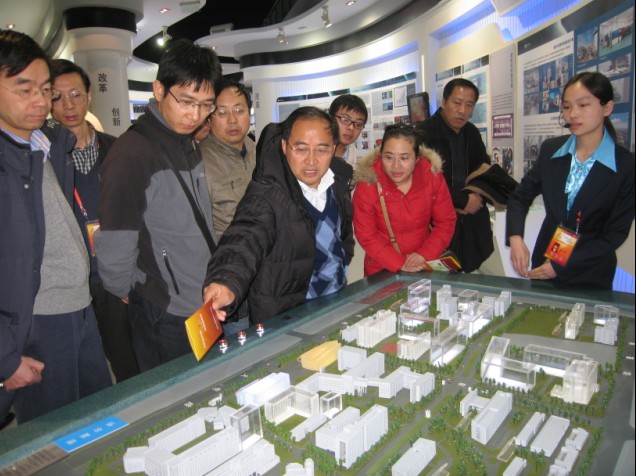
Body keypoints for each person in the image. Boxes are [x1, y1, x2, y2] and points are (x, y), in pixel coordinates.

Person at [0, 30, 111, 424]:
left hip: (79, 306)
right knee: (55, 436)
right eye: (24, 88)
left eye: (45, 89)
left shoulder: (45, 147)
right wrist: (5, 358)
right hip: (38, 320)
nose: (41, 101)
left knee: (100, 419)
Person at [94, 39, 223, 371]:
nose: (195, 115)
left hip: (198, 300)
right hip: (164, 308)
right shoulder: (132, 154)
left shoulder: (186, 143)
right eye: (186, 101)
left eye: (206, 105)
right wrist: (129, 288)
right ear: (159, 90)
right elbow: (116, 236)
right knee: (173, 395)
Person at [203, 106, 354, 325]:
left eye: (322, 150)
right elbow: (245, 237)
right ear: (285, 146)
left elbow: (344, 237)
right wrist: (226, 281)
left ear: (333, 149)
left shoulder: (338, 183)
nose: (311, 161)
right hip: (290, 316)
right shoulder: (267, 195)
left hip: (337, 300)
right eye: (301, 149)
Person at [49, 59, 139, 383]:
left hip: (117, 275)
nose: (68, 105)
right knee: (86, 374)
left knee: (129, 362)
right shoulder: (44, 158)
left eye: (75, 94)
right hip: (73, 282)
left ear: (89, 96)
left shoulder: (116, 148)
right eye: (57, 97)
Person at [506, 72, 635, 289]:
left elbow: (615, 233)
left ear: (607, 108)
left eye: (583, 105)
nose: (573, 114)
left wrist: (561, 265)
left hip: (590, 271)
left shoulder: (625, 165)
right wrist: (515, 237)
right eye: (566, 107)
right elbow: (520, 196)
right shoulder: (552, 150)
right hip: (543, 264)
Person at [353, 123, 456, 276]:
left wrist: (424, 254)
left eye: (404, 158)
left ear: (417, 159)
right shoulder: (368, 183)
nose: (396, 166)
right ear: (381, 155)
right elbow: (366, 234)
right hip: (382, 267)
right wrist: (399, 263)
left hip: (423, 264)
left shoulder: (431, 177)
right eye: (389, 157)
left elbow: (446, 221)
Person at [415, 78, 493, 273]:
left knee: (466, 270)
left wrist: (476, 198)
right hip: (436, 222)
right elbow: (421, 181)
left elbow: (484, 169)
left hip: (469, 222)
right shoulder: (424, 134)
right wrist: (461, 201)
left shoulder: (471, 133)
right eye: (457, 103)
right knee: (436, 273)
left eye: (469, 105)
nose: (462, 111)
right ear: (444, 102)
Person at [200, 79, 256, 238]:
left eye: (239, 110)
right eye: (222, 113)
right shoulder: (199, 164)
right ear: (209, 118)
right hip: (229, 250)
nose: (232, 120)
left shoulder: (257, 150)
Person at [329, 94, 367, 169]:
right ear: (331, 118)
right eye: (345, 120)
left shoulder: (359, 164)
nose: (351, 128)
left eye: (358, 124)